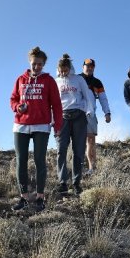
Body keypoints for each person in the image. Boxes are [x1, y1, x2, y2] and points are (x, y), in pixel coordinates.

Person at [10, 47, 63, 212]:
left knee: (40, 160)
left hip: (41, 126)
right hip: (21, 125)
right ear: (29, 62)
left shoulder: (49, 81)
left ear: (44, 64)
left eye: (40, 64)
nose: (36, 67)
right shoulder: (20, 79)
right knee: (21, 161)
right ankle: (24, 197)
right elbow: (13, 99)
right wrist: (18, 107)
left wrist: (58, 126)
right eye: (34, 64)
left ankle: (40, 197)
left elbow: (57, 105)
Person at [55, 54, 94, 196]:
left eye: (65, 70)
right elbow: (53, 102)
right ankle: (62, 183)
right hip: (62, 117)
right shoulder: (56, 81)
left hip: (78, 116)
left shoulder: (78, 79)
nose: (63, 73)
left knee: (78, 151)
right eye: (61, 71)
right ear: (58, 69)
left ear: (69, 68)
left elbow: (87, 95)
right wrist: (53, 120)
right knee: (61, 150)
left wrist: (89, 111)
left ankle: (76, 183)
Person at [79, 58, 111, 175]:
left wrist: (107, 112)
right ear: (83, 66)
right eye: (87, 66)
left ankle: (92, 168)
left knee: (91, 140)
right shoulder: (76, 78)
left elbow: (103, 98)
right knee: (78, 141)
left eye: (92, 66)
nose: (90, 68)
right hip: (76, 113)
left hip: (91, 114)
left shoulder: (97, 82)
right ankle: (78, 168)